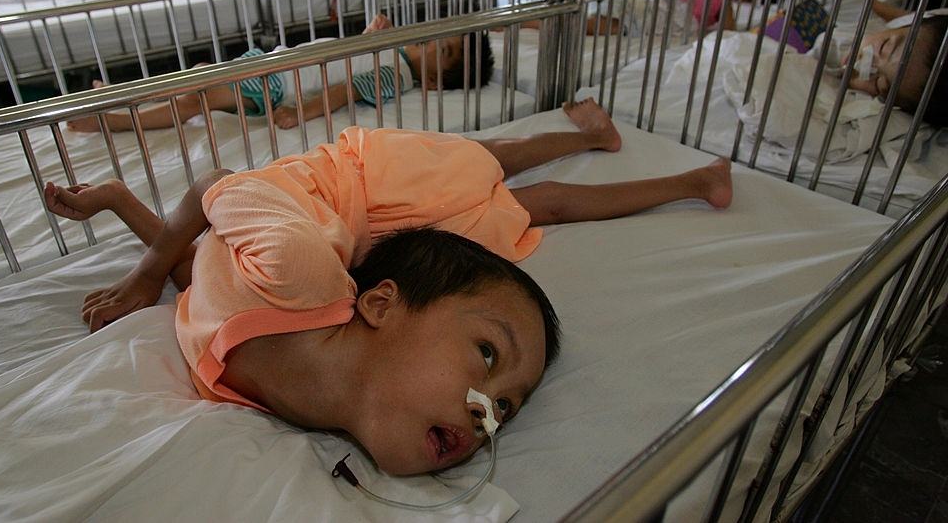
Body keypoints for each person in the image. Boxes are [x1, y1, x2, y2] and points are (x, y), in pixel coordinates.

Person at [45, 99, 732, 475]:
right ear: (378, 303)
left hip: (359, 237)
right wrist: (141, 278)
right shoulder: (293, 271)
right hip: (364, 186)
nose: (487, 416)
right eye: (490, 364)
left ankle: (677, 174)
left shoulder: (276, 313)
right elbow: (209, 203)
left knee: (525, 199)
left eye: (504, 408)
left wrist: (122, 211)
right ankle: (582, 133)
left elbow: (205, 277)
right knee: (485, 163)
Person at [66, 13, 495, 133]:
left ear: (436, 81)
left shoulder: (397, 77)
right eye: (446, 38)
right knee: (197, 73)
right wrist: (368, 34)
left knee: (194, 97)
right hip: (273, 61)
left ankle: (111, 121)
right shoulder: (389, 50)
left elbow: (347, 88)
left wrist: (303, 111)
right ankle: (122, 93)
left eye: (448, 52)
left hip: (277, 84)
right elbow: (349, 55)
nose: (438, 44)